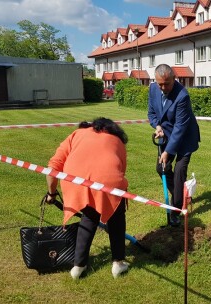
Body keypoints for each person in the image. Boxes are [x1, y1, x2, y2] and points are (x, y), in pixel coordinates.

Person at [45, 117, 130, 279]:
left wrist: (52, 193)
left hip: (78, 182)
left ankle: (78, 266)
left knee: (89, 218)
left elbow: (53, 167)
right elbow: (121, 169)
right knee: (116, 219)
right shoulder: (117, 140)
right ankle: (118, 263)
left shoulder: (77, 134)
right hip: (110, 182)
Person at [147, 64, 200, 226]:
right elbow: (152, 113)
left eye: (167, 83)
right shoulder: (153, 89)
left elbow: (180, 127)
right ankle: (181, 195)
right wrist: (157, 126)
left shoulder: (182, 95)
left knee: (178, 172)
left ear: (174, 79)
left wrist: (168, 151)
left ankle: (176, 210)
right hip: (166, 135)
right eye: (160, 83)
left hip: (184, 138)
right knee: (161, 168)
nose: (163, 87)